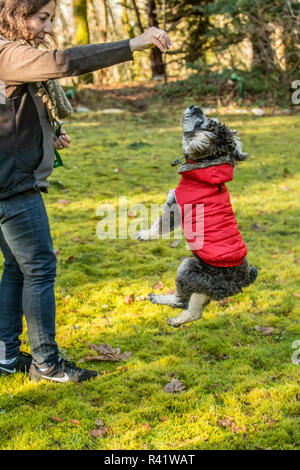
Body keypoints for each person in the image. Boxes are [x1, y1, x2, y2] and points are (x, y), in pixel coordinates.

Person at [0, 0, 172, 383]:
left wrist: (48, 134)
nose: (46, 28)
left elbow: (10, 114)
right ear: (15, 13)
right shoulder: (8, 53)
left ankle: (6, 355)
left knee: (17, 268)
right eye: (40, 18)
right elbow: (66, 61)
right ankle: (47, 364)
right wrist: (133, 44)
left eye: (50, 19)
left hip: (7, 178)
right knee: (40, 268)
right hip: (13, 186)